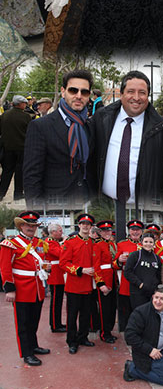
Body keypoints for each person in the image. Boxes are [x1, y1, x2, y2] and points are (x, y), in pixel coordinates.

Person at [89, 71, 163, 204]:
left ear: (148, 96)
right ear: (121, 94)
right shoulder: (102, 118)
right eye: (131, 91)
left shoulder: (161, 128)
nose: (136, 97)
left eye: (142, 93)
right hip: (104, 202)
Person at [22, 68, 92, 206]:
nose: (79, 96)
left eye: (84, 92)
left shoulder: (90, 125)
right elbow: (31, 177)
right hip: (54, 204)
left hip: (87, 203)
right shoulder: (40, 126)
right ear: (63, 91)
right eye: (73, 90)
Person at [0, 210, 48, 365]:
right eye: (28, 225)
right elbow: (5, 268)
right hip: (21, 289)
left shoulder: (38, 243)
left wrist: (45, 270)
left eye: (34, 225)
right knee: (23, 323)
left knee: (34, 321)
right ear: (21, 226)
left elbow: (41, 262)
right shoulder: (11, 244)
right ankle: (26, 353)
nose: (31, 228)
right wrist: (10, 289)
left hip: (38, 288)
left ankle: (33, 346)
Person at [59, 212, 96, 354]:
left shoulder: (93, 243)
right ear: (79, 225)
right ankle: (72, 341)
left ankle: (83, 337)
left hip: (88, 285)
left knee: (86, 315)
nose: (85, 226)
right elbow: (63, 263)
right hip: (74, 285)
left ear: (91, 227)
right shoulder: (70, 242)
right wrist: (81, 270)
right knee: (72, 315)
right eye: (83, 224)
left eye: (88, 224)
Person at [0, 94, 30, 200]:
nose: (25, 105)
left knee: (7, 171)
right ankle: (18, 194)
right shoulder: (26, 117)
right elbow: (30, 133)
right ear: (21, 104)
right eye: (25, 103)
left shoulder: (4, 115)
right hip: (21, 148)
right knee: (20, 171)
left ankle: (1, 193)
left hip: (7, 148)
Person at [124, 230, 162, 308]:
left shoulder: (156, 258)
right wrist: (140, 284)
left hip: (152, 293)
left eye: (151, 242)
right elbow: (127, 272)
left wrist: (156, 288)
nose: (148, 244)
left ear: (154, 243)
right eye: (146, 242)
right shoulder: (135, 255)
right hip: (138, 292)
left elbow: (159, 274)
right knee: (139, 316)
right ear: (142, 242)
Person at [41, 223, 66, 333]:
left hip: (59, 274)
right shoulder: (49, 242)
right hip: (56, 275)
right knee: (56, 301)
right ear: (53, 232)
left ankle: (57, 322)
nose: (61, 233)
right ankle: (55, 325)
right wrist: (64, 242)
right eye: (59, 231)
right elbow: (60, 253)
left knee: (59, 300)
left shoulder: (54, 242)